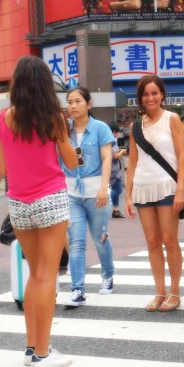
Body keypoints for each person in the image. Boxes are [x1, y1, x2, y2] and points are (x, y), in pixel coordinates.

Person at [0, 56, 78, 367]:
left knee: (34, 275)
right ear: (45, 85)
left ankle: (32, 347)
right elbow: (70, 162)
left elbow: (2, 168)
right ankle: (43, 354)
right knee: (48, 275)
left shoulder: (3, 118)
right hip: (51, 201)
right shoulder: (52, 117)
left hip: (19, 204)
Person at [126, 75, 184, 312]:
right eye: (145, 94)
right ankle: (159, 291)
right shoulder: (135, 126)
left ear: (162, 94)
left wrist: (180, 189)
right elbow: (132, 161)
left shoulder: (171, 119)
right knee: (152, 242)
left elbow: (182, 155)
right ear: (140, 98)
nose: (150, 98)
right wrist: (128, 194)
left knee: (170, 240)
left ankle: (175, 292)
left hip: (166, 187)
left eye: (154, 93)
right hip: (143, 188)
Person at [62, 87, 116, 306]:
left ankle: (108, 276)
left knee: (100, 238)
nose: (73, 106)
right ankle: (77, 289)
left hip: (96, 193)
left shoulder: (100, 128)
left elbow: (106, 159)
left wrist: (104, 188)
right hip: (71, 193)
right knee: (76, 242)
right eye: (69, 102)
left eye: (77, 101)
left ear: (88, 104)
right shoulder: (64, 131)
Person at [108, 121, 126, 218]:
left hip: (111, 169)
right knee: (118, 189)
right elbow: (115, 156)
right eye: (116, 132)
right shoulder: (112, 141)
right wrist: (122, 151)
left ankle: (116, 210)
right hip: (113, 170)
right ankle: (104, 203)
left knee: (115, 188)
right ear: (114, 131)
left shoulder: (106, 140)